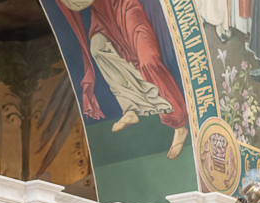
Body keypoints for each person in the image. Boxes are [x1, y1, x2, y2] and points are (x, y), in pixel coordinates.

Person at [57, 0, 189, 160]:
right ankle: (130, 107)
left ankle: (178, 124)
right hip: (103, 13)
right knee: (98, 48)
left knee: (148, 61)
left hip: (126, 7)